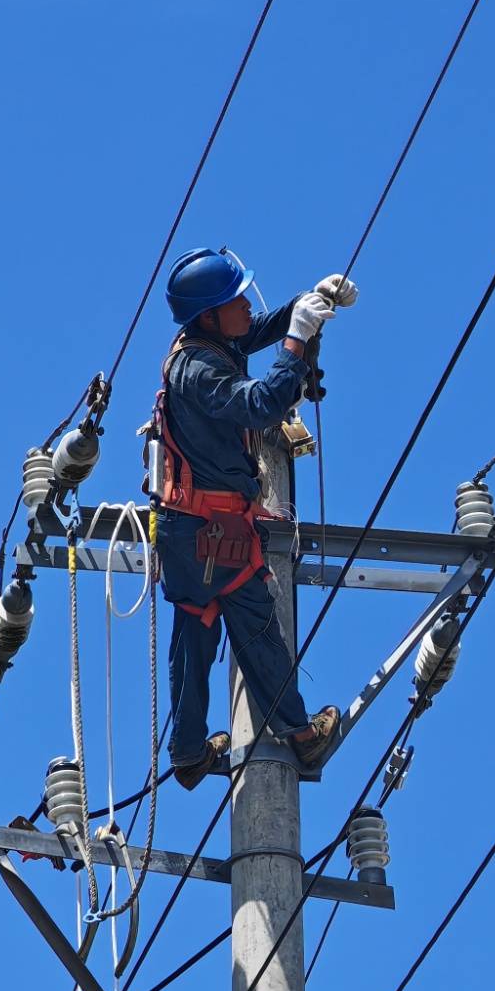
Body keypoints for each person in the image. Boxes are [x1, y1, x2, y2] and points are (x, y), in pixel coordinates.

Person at [150, 247, 355, 789]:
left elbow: (256, 327)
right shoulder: (199, 370)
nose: (246, 306)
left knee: (195, 633)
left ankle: (189, 753)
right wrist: (295, 342)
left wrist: (308, 302)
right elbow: (264, 403)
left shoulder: (208, 341)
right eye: (234, 299)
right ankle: (302, 736)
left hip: (188, 528)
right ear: (210, 314)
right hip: (214, 533)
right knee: (256, 626)